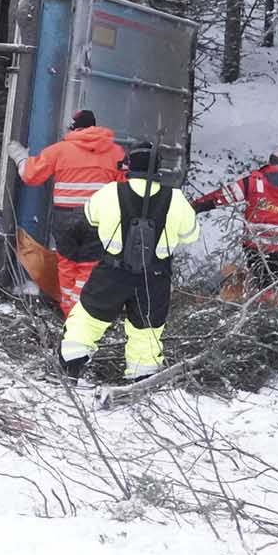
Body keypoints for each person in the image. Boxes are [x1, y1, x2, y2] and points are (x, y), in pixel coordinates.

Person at [59, 147, 200, 382]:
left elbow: (90, 216)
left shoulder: (110, 192)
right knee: (147, 330)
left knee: (89, 317)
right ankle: (141, 375)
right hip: (154, 277)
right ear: (158, 169)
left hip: (112, 272)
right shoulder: (175, 198)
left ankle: (71, 363)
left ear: (129, 167)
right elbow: (191, 235)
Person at [7, 110, 125, 316]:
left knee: (67, 264)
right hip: (97, 219)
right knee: (89, 266)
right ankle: (81, 313)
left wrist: (20, 158)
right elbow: (125, 187)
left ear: (73, 128)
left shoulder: (59, 150)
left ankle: (69, 312)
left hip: (65, 218)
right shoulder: (115, 153)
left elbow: (30, 176)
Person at [191, 150, 278, 306]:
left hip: (256, 249)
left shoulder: (253, 183)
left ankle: (253, 310)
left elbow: (222, 196)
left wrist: (194, 206)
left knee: (258, 288)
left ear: (270, 163)